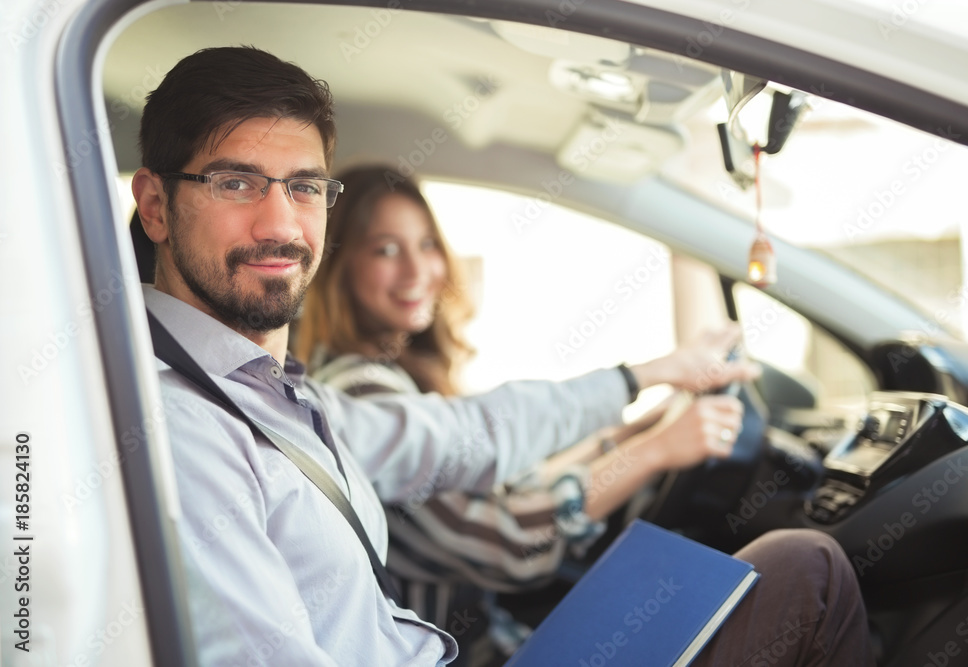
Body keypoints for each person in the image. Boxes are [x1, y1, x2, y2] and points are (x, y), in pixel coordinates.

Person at [131, 45, 875, 666]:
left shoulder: (275, 393)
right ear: (157, 206)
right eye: (236, 183)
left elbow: (471, 436)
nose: (280, 222)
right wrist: (651, 447)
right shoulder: (179, 422)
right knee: (807, 570)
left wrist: (643, 381)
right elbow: (505, 541)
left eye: (303, 187)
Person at [293, 164, 754, 665]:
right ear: (336, 266)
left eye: (427, 244)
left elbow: (515, 482)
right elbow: (512, 545)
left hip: (499, 641)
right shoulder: (361, 394)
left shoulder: (391, 376)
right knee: (792, 565)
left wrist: (635, 432)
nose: (418, 270)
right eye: (386, 249)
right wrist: (655, 450)